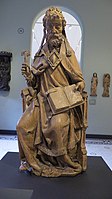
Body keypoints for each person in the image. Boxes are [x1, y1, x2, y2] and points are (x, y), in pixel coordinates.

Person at [16, 7, 87, 177]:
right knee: (21, 127)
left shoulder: (68, 54)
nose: (54, 31)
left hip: (60, 104)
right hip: (41, 101)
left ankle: (66, 163)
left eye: (57, 27)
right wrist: (29, 76)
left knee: (56, 127)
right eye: (50, 27)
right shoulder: (40, 54)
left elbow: (80, 80)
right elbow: (34, 82)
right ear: (45, 29)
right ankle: (32, 162)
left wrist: (78, 86)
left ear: (62, 28)